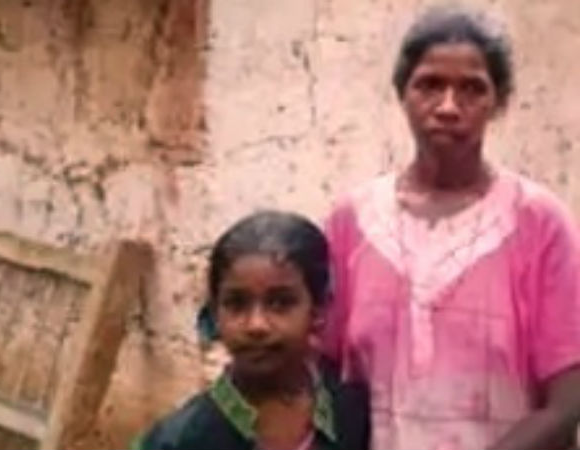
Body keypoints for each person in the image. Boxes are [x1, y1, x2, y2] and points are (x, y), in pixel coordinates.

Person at [323, 6, 580, 450]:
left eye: (472, 89)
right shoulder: (352, 222)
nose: (447, 107)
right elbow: (321, 372)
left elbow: (568, 403)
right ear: (402, 93)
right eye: (429, 85)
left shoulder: (539, 222)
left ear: (498, 102)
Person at [134, 211, 370, 450]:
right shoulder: (178, 441)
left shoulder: (354, 416)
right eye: (236, 304)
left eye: (280, 303)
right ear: (215, 313)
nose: (256, 325)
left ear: (318, 310)